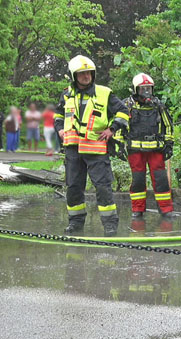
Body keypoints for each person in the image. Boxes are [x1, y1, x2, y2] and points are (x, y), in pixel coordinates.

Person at [54, 55, 129, 235]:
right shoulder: (66, 95)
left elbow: (123, 112)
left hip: (96, 150)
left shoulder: (104, 93)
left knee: (103, 187)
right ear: (74, 75)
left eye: (89, 73)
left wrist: (112, 129)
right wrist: (59, 130)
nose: (86, 76)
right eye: (82, 74)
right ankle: (75, 223)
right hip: (73, 150)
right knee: (73, 187)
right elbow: (57, 115)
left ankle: (110, 225)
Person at [122, 73, 175, 220]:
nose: (146, 93)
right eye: (142, 90)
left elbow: (168, 125)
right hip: (135, 150)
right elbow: (120, 125)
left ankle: (166, 209)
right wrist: (119, 144)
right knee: (138, 180)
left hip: (155, 150)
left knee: (161, 180)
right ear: (135, 90)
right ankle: (137, 210)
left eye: (148, 89)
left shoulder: (158, 106)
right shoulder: (127, 106)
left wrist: (169, 143)